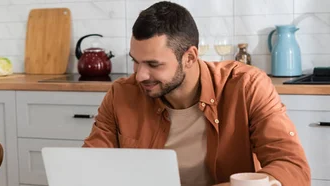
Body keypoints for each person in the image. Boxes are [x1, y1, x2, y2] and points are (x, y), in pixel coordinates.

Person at [82, 1, 310, 186]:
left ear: (190, 57)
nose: (140, 75)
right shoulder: (122, 94)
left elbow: (292, 167)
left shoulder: (246, 86)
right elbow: (90, 166)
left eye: (153, 64)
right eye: (135, 62)